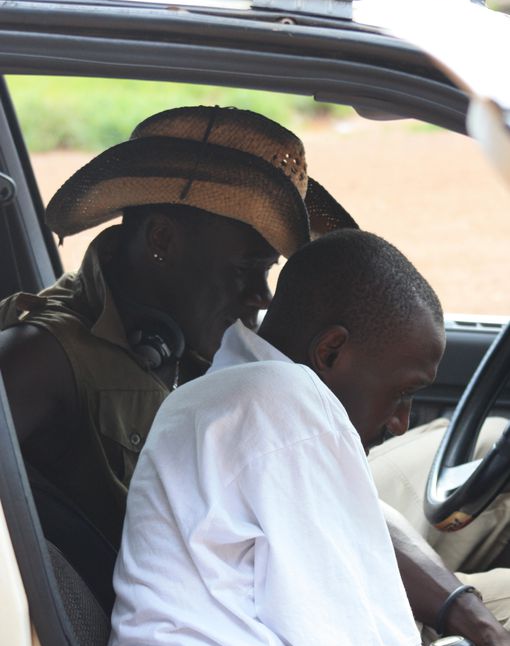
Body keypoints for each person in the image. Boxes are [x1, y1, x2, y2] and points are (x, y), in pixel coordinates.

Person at [104, 230, 510, 646]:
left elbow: (367, 519)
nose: (402, 422)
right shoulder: (285, 404)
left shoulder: (241, 392)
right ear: (332, 350)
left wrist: (485, 634)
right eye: (403, 392)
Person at [0, 105, 356, 549]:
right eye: (245, 270)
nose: (263, 297)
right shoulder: (41, 357)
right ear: (161, 240)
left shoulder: (202, 344)